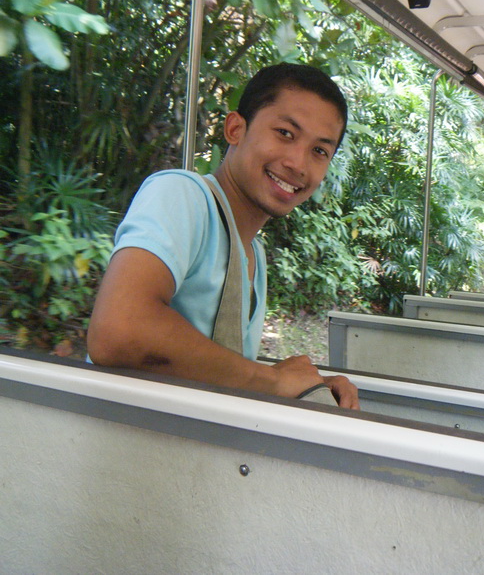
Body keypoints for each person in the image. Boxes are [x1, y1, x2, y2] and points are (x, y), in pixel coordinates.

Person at [87, 63, 359, 409]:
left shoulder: (252, 254)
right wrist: (273, 382)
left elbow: (217, 370)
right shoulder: (182, 195)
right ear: (235, 129)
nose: (298, 163)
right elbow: (118, 331)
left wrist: (307, 386)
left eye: (319, 151)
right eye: (285, 133)